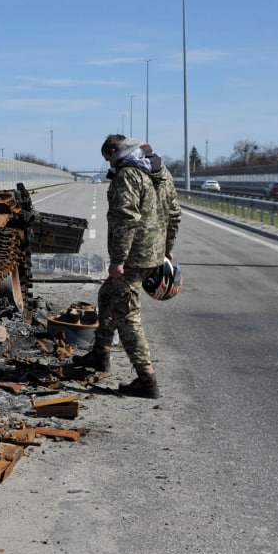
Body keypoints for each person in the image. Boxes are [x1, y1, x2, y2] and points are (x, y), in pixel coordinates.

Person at [71, 134, 181, 398]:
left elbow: (125, 219)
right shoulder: (160, 171)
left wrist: (118, 260)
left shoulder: (128, 174)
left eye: (108, 159)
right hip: (152, 253)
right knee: (107, 294)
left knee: (128, 316)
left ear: (113, 151)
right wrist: (167, 246)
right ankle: (100, 354)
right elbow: (174, 212)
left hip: (132, 257)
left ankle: (147, 380)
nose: (108, 165)